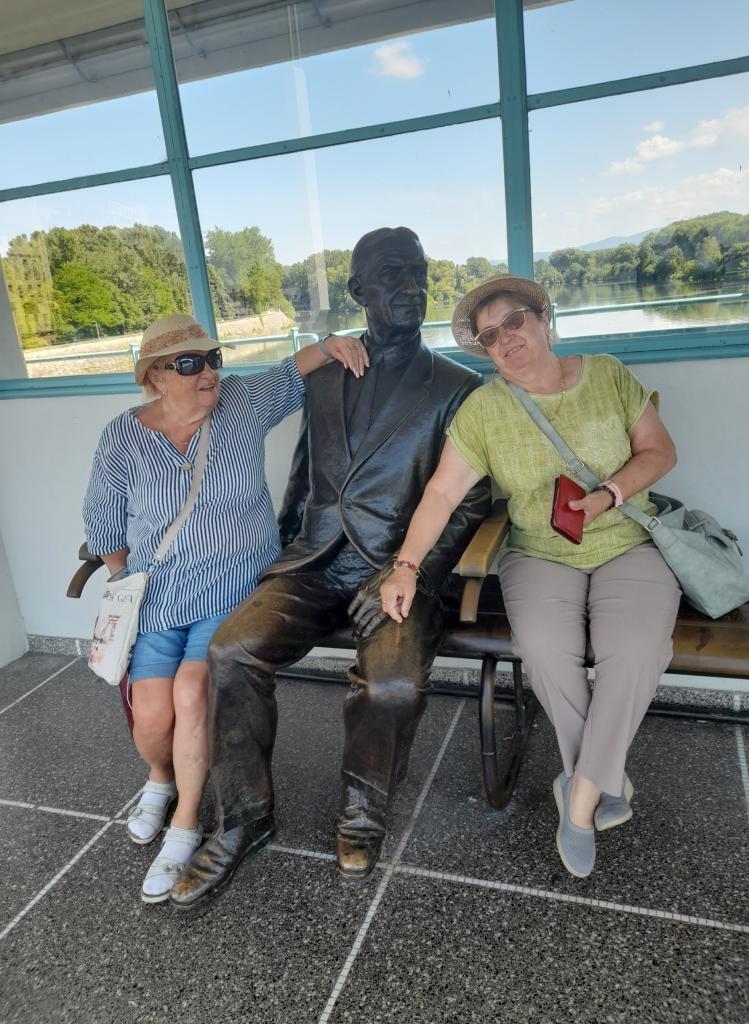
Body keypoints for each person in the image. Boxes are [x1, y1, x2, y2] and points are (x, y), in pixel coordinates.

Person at [169, 227, 491, 911]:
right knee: (230, 650)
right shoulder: (324, 377)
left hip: (395, 568)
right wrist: (281, 557)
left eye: (418, 273)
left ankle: (363, 811)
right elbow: (304, 478)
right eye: (393, 274)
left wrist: (414, 571)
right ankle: (244, 819)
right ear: (358, 291)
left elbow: (469, 501)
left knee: (393, 683)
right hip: (314, 562)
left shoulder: (458, 386)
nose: (412, 287)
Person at [379, 275, 681, 879]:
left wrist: (607, 496)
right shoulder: (484, 410)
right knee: (544, 651)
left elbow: (659, 451)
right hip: (538, 554)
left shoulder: (607, 374)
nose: (505, 339)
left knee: (637, 650)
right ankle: (601, 782)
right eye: (490, 336)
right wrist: (405, 565)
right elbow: (442, 493)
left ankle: (579, 800)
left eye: (513, 321)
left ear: (543, 319)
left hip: (627, 543)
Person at [83, 313, 367, 903]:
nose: (209, 371)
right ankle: (161, 779)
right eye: (190, 363)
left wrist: (331, 344)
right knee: (152, 711)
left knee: (192, 691)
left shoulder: (241, 402)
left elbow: (292, 370)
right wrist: (125, 586)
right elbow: (104, 523)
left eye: (213, 357)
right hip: (159, 593)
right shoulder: (122, 435)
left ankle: (186, 825)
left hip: (233, 585)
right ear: (157, 377)